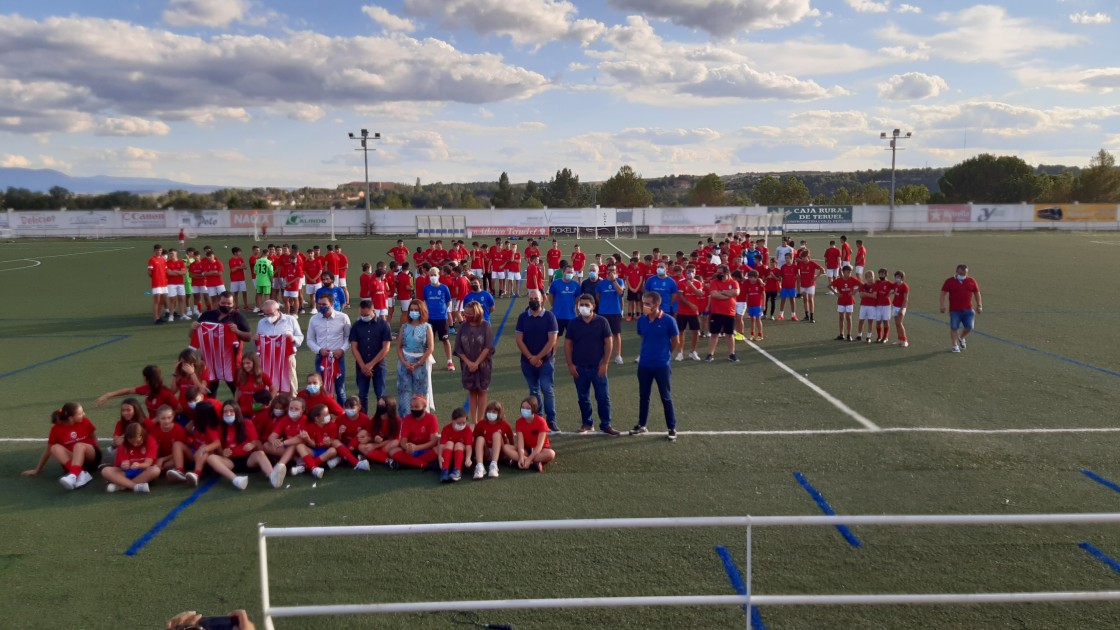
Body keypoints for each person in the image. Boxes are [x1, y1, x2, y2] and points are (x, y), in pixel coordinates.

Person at [565, 294, 620, 435]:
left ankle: (606, 424)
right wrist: (570, 365)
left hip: (598, 368)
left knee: (603, 398)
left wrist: (605, 363)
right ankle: (587, 423)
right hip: (580, 368)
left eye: (586, 305)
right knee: (583, 398)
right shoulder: (574, 323)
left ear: (593, 306)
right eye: (581, 305)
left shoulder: (602, 322)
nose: (583, 307)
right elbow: (567, 344)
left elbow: (609, 342)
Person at [630, 291, 680, 440]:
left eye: (647, 304)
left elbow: (675, 341)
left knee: (666, 397)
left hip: (661, 366)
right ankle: (642, 424)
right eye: (643, 303)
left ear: (656, 305)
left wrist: (665, 354)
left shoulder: (669, 321)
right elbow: (643, 336)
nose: (644, 306)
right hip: (644, 365)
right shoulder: (642, 320)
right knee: (644, 396)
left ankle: (671, 427)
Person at [204, 402, 283, 490]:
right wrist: (223, 452)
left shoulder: (247, 423)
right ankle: (236, 480)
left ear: (237, 412)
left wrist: (252, 445)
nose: (228, 414)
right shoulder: (220, 426)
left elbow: (257, 442)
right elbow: (218, 449)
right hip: (231, 461)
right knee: (211, 458)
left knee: (260, 453)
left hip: (248, 459)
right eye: (225, 412)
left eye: (231, 411)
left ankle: (273, 476)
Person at [23, 402, 101, 489]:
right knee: (54, 448)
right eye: (80, 413)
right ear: (71, 418)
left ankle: (73, 475)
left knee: (78, 446)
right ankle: (81, 474)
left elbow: (93, 437)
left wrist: (96, 450)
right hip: (74, 462)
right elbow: (48, 450)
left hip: (91, 459)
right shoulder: (56, 429)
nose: (83, 414)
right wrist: (37, 470)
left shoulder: (85, 421)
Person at [192, 291, 253, 395]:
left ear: (233, 303)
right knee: (210, 390)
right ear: (217, 302)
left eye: (229, 304)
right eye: (223, 303)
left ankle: (238, 410)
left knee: (237, 389)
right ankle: (212, 409)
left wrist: (237, 332)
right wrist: (193, 328)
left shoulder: (238, 317)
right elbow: (193, 335)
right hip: (210, 360)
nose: (226, 306)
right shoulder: (207, 315)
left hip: (232, 360)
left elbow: (249, 337)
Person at [515, 289, 560, 433]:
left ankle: (551, 421)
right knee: (534, 391)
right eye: (531, 298)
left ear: (542, 300)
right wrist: (530, 357)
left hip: (545, 362)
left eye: (536, 298)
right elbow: (519, 340)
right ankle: (539, 419)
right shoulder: (522, 317)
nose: (533, 300)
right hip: (527, 362)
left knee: (547, 390)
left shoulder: (549, 317)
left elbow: (552, 340)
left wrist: (538, 357)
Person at [346, 298, 393, 412]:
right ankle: (364, 420)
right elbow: (354, 347)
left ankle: (381, 420)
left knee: (380, 396)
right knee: (362, 396)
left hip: (379, 365)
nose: (364, 316)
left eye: (366, 314)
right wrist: (363, 366)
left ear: (373, 311)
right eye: (362, 314)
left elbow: (386, 348)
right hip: (361, 366)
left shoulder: (384, 325)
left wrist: (370, 365)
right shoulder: (357, 325)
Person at [453, 302, 495, 425]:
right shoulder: (463, 327)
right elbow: (458, 348)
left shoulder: (486, 326)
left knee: (482, 391)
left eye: (469, 314)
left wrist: (476, 363)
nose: (466, 316)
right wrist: (469, 363)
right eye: (465, 313)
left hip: (483, 365)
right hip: (467, 365)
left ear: (477, 313)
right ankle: (474, 420)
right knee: (471, 392)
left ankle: (480, 421)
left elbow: (488, 347)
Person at [306, 292, 352, 406]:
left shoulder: (343, 317)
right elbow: (310, 339)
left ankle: (341, 415)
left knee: (340, 389)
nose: (321, 306)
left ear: (331, 303)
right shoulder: (314, 319)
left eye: (324, 304)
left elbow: (349, 337)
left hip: (338, 358)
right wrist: (319, 350)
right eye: (319, 304)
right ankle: (321, 412)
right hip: (321, 358)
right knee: (319, 388)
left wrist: (342, 349)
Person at [396, 300, 436, 418]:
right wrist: (404, 362)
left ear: (422, 311)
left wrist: (418, 363)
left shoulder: (427, 327)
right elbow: (399, 347)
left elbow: (430, 348)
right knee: (404, 391)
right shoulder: (404, 326)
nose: (413, 312)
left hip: (421, 363)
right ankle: (405, 419)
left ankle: (422, 420)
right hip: (404, 363)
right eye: (411, 310)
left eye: (416, 310)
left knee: (421, 392)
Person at [96, 364, 180, 419]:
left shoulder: (164, 393)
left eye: (144, 377)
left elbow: (179, 409)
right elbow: (129, 391)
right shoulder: (147, 388)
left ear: (147, 378)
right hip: (151, 424)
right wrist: (108, 395)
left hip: (163, 426)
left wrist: (162, 418)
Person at [256, 299, 304, 395]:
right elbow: (258, 342)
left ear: (278, 310)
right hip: (268, 360)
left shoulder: (291, 320)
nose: (269, 316)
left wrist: (292, 339)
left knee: (290, 384)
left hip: (287, 358)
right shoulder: (262, 322)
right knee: (270, 384)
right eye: (266, 314)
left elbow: (300, 337)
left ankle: (292, 404)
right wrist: (256, 340)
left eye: (270, 313)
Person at [503, 396, 556, 472]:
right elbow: (520, 442)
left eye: (528, 408)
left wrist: (529, 459)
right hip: (526, 449)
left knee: (551, 453)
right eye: (523, 407)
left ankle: (523, 461)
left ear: (534, 409)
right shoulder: (519, 422)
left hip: (540, 450)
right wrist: (521, 456)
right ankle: (533, 463)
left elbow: (539, 446)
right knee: (505, 447)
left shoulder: (541, 421)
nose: (524, 410)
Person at [386, 395, 440, 470]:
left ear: (424, 407)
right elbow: (403, 441)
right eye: (411, 407)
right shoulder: (407, 419)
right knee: (393, 451)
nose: (413, 409)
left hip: (426, 448)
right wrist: (408, 448)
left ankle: (407, 463)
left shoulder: (432, 418)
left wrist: (417, 448)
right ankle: (426, 465)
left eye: (417, 407)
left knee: (439, 449)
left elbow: (433, 441)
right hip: (411, 450)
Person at [940, 264, 982, 353]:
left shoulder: (971, 281)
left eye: (965, 273)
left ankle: (961, 337)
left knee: (969, 327)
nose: (963, 275)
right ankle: (955, 346)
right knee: (954, 327)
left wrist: (979, 305)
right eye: (961, 273)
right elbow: (943, 293)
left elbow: (977, 293)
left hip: (968, 310)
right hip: (955, 310)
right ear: (957, 272)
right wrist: (942, 305)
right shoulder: (949, 281)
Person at [422, 267, 455, 371]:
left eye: (434, 275)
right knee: (428, 341)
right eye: (431, 275)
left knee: (445, 340)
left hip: (442, 318)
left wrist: (442, 310)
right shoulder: (426, 288)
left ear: (439, 275)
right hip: (430, 319)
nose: (433, 277)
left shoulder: (444, 288)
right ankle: (426, 361)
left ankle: (449, 362)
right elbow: (425, 301)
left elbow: (448, 302)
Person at [706, 266, 739, 362]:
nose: (718, 274)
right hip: (717, 312)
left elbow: (736, 292)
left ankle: (732, 354)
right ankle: (710, 354)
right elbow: (714, 294)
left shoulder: (733, 282)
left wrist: (722, 291)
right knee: (714, 334)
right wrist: (727, 295)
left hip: (730, 313)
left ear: (726, 273)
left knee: (729, 334)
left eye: (720, 272)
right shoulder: (714, 282)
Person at [472, 401, 513, 479]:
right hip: (486, 452)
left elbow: (511, 439)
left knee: (497, 434)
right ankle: (480, 467)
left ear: (499, 413)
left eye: (494, 412)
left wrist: (510, 455)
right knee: (480, 438)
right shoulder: (481, 423)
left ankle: (494, 465)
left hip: (499, 452)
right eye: (489, 411)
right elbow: (474, 438)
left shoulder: (504, 424)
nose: (491, 414)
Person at [596, 262, 627, 365]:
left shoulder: (619, 281)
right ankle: (602, 356)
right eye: (610, 270)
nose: (611, 272)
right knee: (601, 335)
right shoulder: (601, 283)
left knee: (616, 334)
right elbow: (598, 297)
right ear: (607, 271)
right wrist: (604, 305)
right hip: (603, 312)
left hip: (615, 312)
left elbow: (620, 292)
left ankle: (618, 356)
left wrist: (614, 280)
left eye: (613, 270)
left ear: (616, 271)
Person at [674, 264, 704, 361]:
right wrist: (690, 304)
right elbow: (681, 297)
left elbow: (699, 294)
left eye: (692, 271)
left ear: (695, 273)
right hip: (682, 312)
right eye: (688, 271)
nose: (690, 273)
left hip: (693, 313)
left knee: (695, 332)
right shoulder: (681, 282)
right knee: (681, 332)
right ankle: (680, 352)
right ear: (685, 272)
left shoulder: (698, 283)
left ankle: (693, 352)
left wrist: (691, 285)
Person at [438, 407, 472, 482]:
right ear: (452, 420)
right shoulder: (446, 429)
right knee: (450, 443)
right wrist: (440, 456)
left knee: (458, 444)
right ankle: (445, 470)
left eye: (464, 423)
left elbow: (468, 446)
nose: (461, 425)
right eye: (459, 423)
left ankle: (457, 471)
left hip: (461, 455)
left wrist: (468, 458)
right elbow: (442, 444)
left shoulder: (468, 430)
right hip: (448, 454)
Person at [547, 264, 579, 336]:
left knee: (572, 337)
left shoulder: (576, 285)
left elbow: (577, 298)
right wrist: (554, 305)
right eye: (568, 272)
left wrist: (573, 305)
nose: (570, 274)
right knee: (555, 337)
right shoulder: (555, 283)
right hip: (558, 316)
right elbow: (550, 296)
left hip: (571, 316)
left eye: (571, 272)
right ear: (563, 272)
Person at [831, 265, 860, 341]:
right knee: (841, 317)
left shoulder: (852, 279)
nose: (849, 274)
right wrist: (836, 293)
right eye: (848, 272)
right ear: (843, 272)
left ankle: (849, 335)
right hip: (841, 301)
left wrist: (854, 292)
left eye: (850, 272)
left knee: (848, 317)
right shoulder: (839, 280)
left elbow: (861, 285)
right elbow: (830, 286)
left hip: (850, 301)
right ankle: (841, 334)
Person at [796, 250, 824, 323]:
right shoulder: (800, 264)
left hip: (811, 285)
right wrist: (798, 276)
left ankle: (812, 317)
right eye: (801, 258)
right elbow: (797, 270)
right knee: (804, 299)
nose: (802, 259)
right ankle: (806, 316)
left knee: (811, 300)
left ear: (807, 257)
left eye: (803, 258)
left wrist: (816, 278)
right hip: (803, 284)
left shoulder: (812, 263)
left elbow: (822, 270)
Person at [148, 244, 170, 324]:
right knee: (156, 300)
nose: (159, 252)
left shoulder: (163, 260)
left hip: (164, 283)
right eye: (157, 250)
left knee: (163, 300)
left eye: (160, 250)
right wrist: (156, 278)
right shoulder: (152, 259)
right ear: (154, 251)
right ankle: (156, 318)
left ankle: (159, 316)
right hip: (157, 283)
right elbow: (150, 272)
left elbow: (165, 270)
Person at [166, 248, 188, 320]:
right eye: (170, 253)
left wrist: (174, 271)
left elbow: (184, 272)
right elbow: (169, 273)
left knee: (181, 299)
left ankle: (182, 315)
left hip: (180, 283)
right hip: (171, 284)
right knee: (172, 299)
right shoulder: (167, 263)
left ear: (176, 254)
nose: (171, 255)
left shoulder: (181, 262)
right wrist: (178, 272)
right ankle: (171, 315)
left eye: (173, 253)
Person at [856, 271, 877, 343]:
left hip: (872, 306)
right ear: (866, 278)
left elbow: (874, 296)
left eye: (872, 276)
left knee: (870, 321)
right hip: (863, 306)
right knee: (861, 320)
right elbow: (861, 296)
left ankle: (868, 336)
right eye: (869, 277)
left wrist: (865, 293)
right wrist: (869, 294)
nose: (871, 278)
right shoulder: (863, 286)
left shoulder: (875, 286)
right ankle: (859, 335)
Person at [776, 252, 799, 321]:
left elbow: (798, 276)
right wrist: (779, 284)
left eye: (788, 258)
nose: (786, 260)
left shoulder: (795, 267)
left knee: (792, 300)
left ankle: (793, 315)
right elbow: (780, 277)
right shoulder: (783, 267)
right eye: (786, 258)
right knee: (783, 300)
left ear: (791, 258)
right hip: (784, 286)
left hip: (792, 286)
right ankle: (781, 314)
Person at [892, 270, 910, 348]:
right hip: (895, 306)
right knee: (896, 324)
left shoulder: (905, 286)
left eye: (898, 277)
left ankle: (905, 340)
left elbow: (905, 299)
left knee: (900, 323)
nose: (897, 278)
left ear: (902, 278)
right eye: (896, 277)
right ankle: (900, 339)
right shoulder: (895, 285)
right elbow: (893, 290)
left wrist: (901, 309)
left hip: (901, 307)